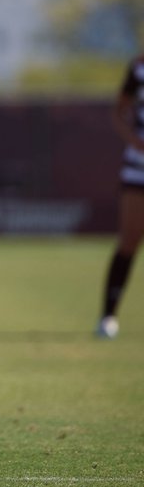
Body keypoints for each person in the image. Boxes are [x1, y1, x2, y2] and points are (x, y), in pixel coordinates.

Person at [99, 54, 144, 339]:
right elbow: (119, 112)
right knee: (129, 241)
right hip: (138, 170)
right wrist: (135, 141)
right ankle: (108, 315)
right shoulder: (139, 67)